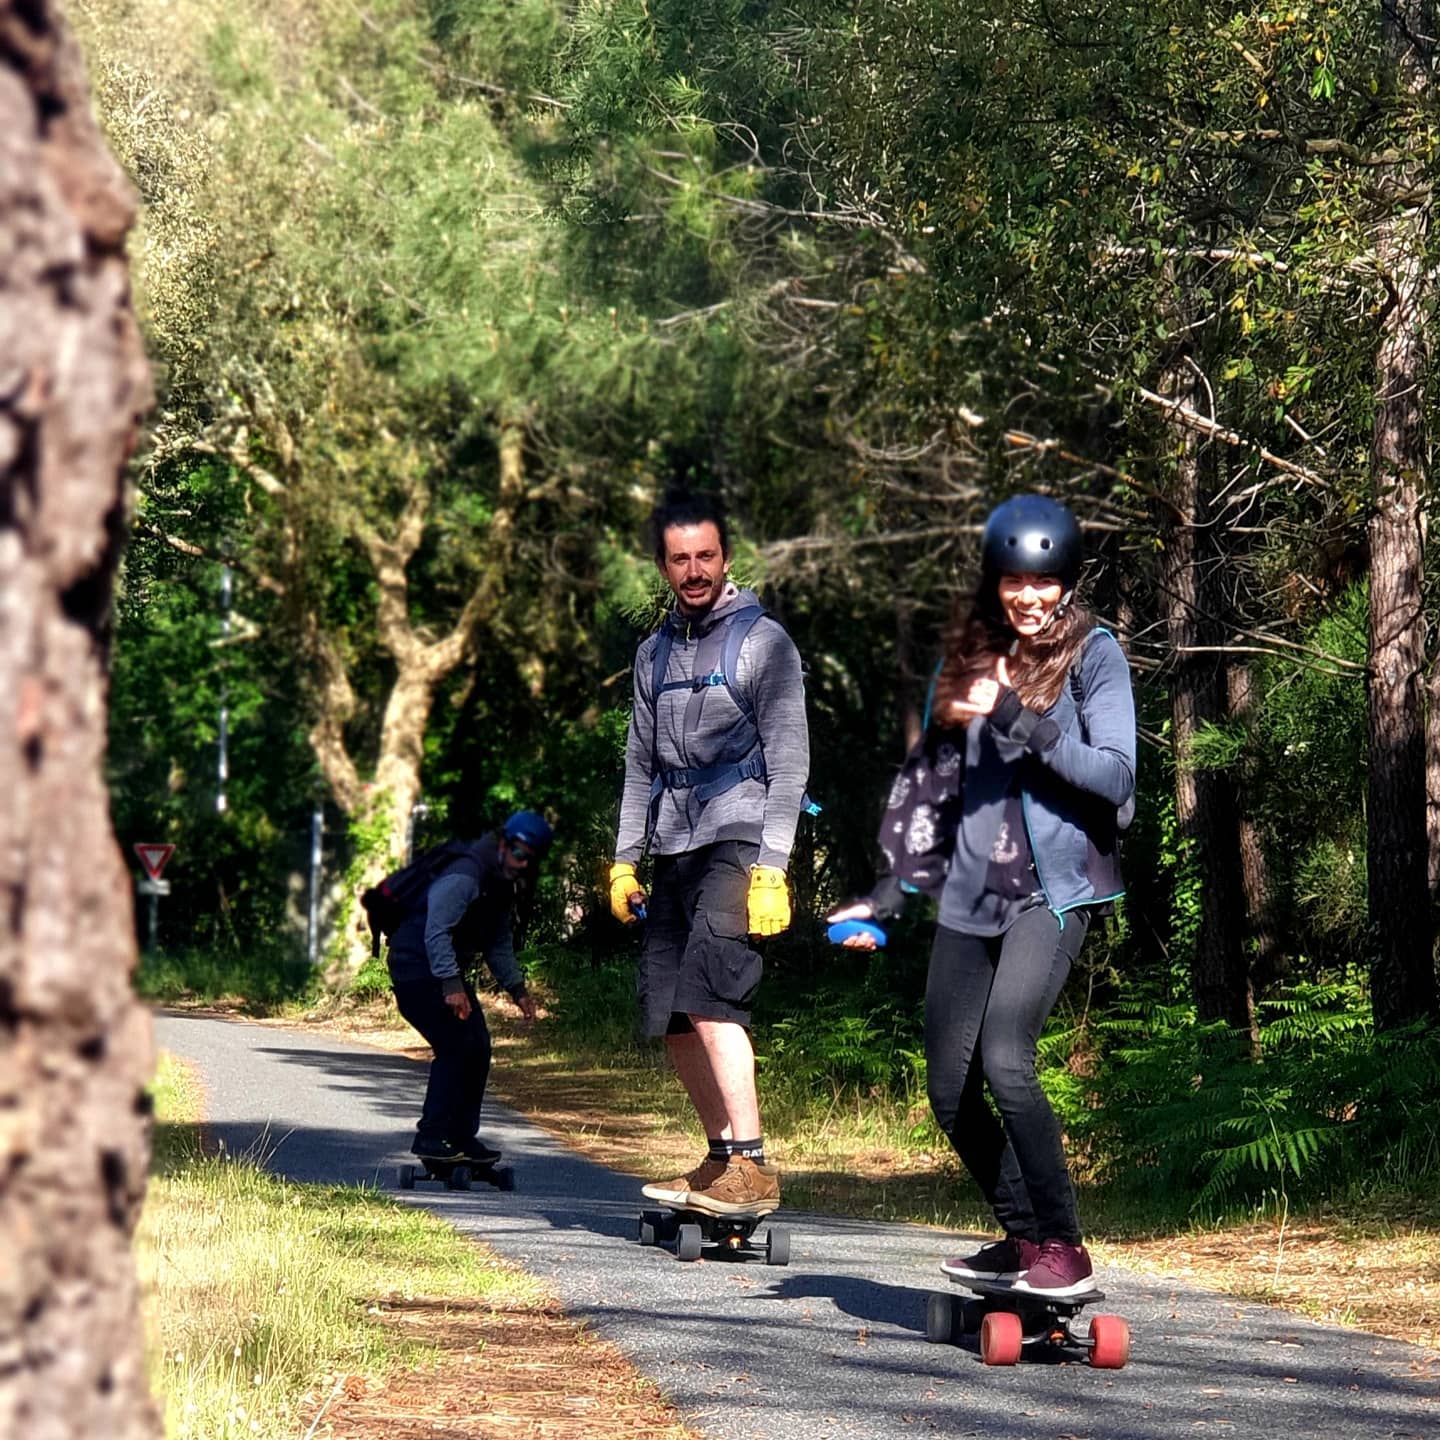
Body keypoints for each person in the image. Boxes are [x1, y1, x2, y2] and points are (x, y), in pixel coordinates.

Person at [829, 494, 1135, 1296]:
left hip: (1054, 893)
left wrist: (1017, 714)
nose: (1027, 598)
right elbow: (930, 798)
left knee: (1006, 1059)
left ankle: (1063, 1247)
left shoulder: (1094, 655)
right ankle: (1023, 1235)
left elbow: (1115, 776)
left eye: (1042, 582)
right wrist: (884, 900)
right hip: (972, 895)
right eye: (1013, 582)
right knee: (946, 1085)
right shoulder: (964, 661)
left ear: (1064, 581)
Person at [608, 490, 810, 1218]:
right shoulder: (653, 654)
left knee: (711, 992)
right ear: (663, 566)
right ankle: (721, 1156)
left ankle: (752, 1164)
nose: (694, 571)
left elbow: (790, 765)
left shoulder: (764, 644)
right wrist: (624, 861)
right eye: (679, 559)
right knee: (667, 1010)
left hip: (740, 835)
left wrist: (772, 868)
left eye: (706, 556)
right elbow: (639, 765)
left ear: (726, 558)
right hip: (673, 843)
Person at [386, 809, 552, 1165]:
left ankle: (460, 1136)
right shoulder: (466, 874)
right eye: (520, 853)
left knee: (477, 1046)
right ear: (505, 844)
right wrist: (450, 984)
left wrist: (518, 990)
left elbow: (497, 941)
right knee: (456, 1045)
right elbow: (436, 930)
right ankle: (431, 1136)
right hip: (415, 968)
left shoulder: (500, 882)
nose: (523, 864)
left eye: (530, 859)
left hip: (444, 973)